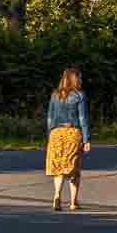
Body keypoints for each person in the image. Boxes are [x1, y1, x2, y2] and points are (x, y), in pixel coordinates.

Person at [46, 69, 91, 211]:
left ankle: (57, 195)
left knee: (58, 168)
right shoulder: (79, 95)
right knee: (74, 169)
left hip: (56, 133)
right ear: (75, 79)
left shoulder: (55, 95)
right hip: (73, 133)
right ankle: (73, 201)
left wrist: (50, 134)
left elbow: (50, 117)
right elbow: (83, 118)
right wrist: (86, 138)